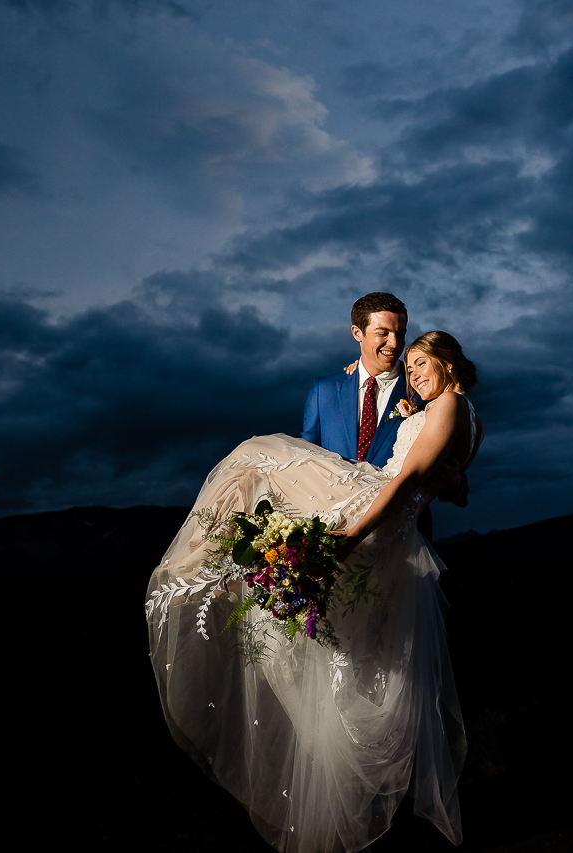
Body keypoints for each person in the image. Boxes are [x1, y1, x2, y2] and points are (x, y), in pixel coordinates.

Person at [145, 331, 483, 853]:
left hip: (378, 510)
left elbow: (409, 478)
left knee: (255, 457)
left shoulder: (450, 405)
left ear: (449, 363)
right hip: (390, 518)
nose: (413, 372)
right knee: (350, 662)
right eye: (408, 364)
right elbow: (449, 474)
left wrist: (353, 534)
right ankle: (225, 567)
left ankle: (201, 567)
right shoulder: (451, 409)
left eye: (422, 362)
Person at [301, 293, 468, 542]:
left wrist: (455, 486)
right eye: (383, 333)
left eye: (400, 333)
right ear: (358, 333)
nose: (394, 343)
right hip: (332, 531)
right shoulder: (324, 389)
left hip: (401, 537)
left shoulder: (425, 390)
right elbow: (304, 461)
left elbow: (455, 471)